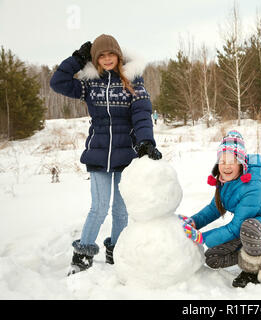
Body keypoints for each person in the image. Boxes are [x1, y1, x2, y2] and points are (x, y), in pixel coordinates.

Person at [50, 34, 162, 275]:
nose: (107, 59)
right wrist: (77, 60)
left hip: (126, 154)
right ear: (96, 59)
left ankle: (117, 251)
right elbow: (57, 82)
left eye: (111, 54)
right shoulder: (90, 84)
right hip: (98, 153)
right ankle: (82, 254)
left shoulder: (133, 82)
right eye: (101, 55)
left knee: (121, 210)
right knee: (99, 207)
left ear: (119, 56)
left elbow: (142, 114)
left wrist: (145, 142)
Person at [179, 130, 261, 288]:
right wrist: (193, 222)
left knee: (248, 225)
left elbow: (236, 228)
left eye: (232, 161)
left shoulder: (253, 187)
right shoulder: (225, 183)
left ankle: (255, 269)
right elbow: (214, 209)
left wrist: (202, 237)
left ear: (241, 164)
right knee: (212, 258)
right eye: (222, 161)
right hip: (246, 232)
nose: (226, 166)